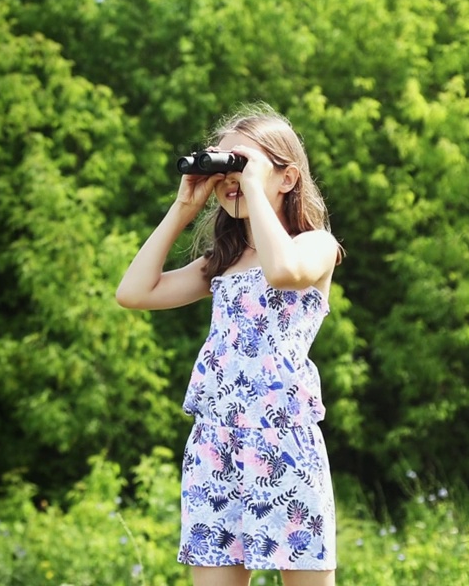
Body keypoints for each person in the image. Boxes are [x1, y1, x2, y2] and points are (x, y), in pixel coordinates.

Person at [116, 105, 342, 586]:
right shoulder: (222, 261)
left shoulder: (316, 245)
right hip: (216, 442)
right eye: (225, 169)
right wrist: (184, 207)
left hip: (284, 441)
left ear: (288, 178)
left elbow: (283, 273)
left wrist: (253, 190)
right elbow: (134, 293)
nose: (231, 179)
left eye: (245, 166)